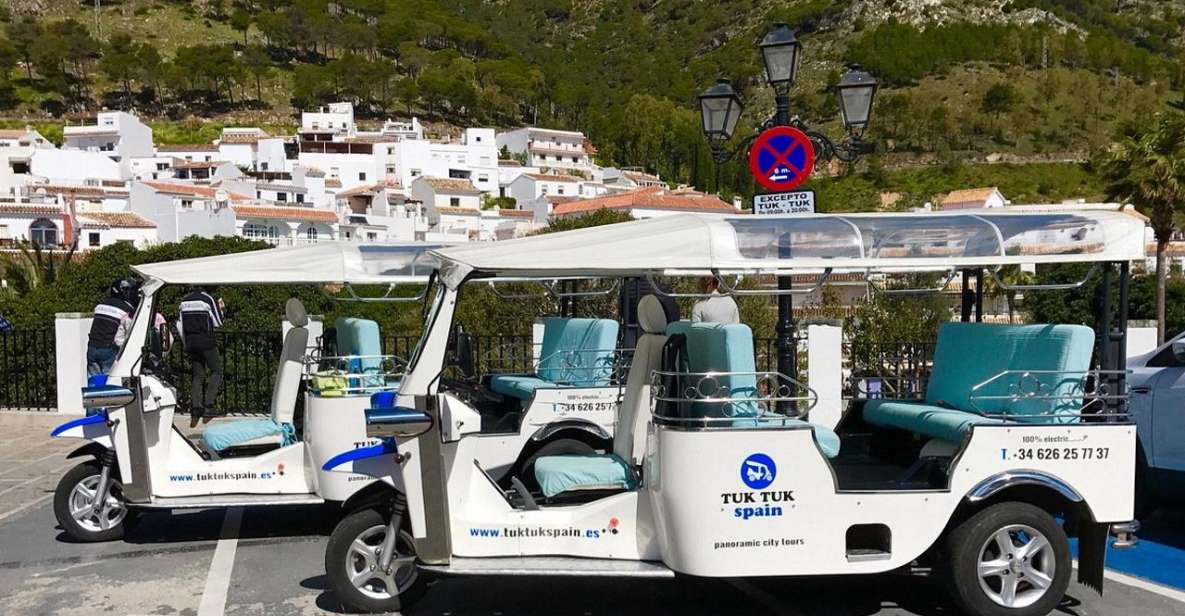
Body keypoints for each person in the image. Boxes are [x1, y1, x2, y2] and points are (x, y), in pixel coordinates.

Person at [179, 288, 225, 422]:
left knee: (198, 375)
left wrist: (186, 343)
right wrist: (221, 308)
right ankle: (209, 405)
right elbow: (219, 322)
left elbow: (180, 325)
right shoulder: (207, 299)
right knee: (217, 371)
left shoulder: (184, 301)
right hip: (206, 341)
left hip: (191, 342)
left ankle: (195, 407)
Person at [86, 279, 139, 376]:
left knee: (94, 384)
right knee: (110, 383)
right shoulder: (127, 309)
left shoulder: (99, 306)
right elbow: (129, 332)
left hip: (92, 347)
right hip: (109, 349)